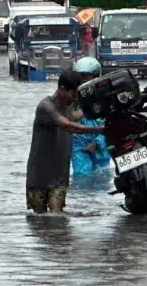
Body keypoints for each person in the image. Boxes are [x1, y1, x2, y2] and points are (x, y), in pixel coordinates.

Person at [25, 71, 107, 214]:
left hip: (59, 177)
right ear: (63, 89)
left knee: (57, 219)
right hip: (39, 177)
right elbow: (69, 126)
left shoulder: (68, 107)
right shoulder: (46, 107)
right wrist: (101, 129)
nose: (75, 99)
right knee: (39, 221)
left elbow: (78, 115)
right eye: (73, 94)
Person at [70, 58, 110, 178]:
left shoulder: (105, 96)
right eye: (80, 77)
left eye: (86, 76)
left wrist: (97, 143)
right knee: (81, 176)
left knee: (103, 177)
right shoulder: (72, 97)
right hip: (79, 146)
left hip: (100, 146)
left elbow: (111, 124)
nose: (82, 80)